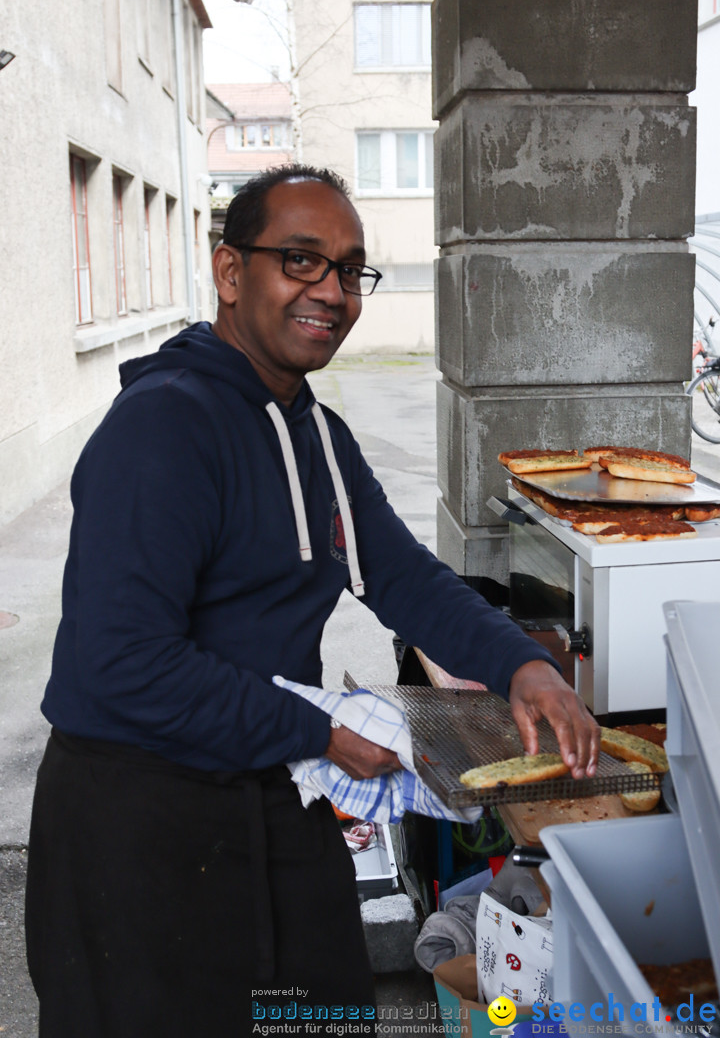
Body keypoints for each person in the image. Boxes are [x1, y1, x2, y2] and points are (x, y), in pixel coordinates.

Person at [26, 164, 598, 1037]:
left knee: (315, 1012)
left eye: (348, 269)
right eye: (300, 260)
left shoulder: (315, 432)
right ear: (229, 273)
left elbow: (402, 575)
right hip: (138, 824)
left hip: (270, 796)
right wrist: (321, 734)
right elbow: (120, 663)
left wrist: (521, 666)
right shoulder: (163, 426)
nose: (330, 291)